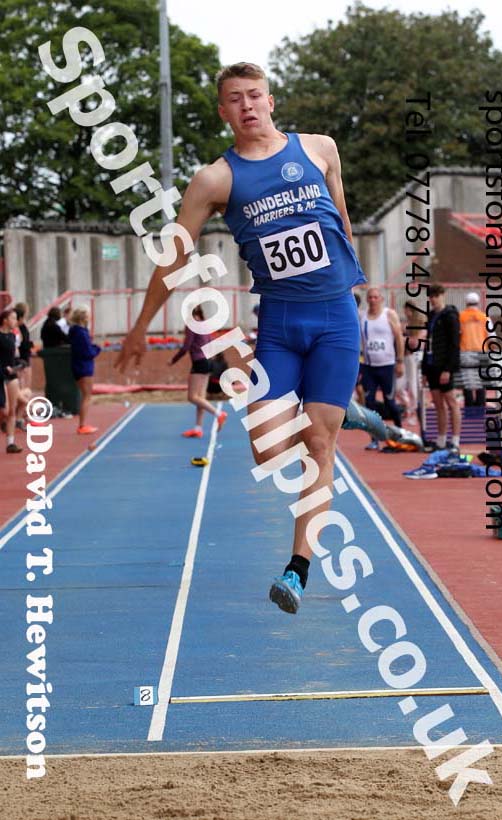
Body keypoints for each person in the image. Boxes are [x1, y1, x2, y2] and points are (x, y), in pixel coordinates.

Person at [116, 61, 367, 614]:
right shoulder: (215, 179)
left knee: (321, 444)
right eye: (235, 98)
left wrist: (352, 287)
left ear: (271, 101)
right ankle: (339, 409)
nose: (247, 105)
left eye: (255, 95)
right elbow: (174, 256)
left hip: (335, 319)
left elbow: (343, 223)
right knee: (270, 448)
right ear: (224, 110)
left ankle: (297, 568)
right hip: (278, 324)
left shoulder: (320, 149)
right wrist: (139, 327)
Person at [168, 306, 228, 438]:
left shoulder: (192, 325)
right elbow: (211, 342)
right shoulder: (204, 325)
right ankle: (198, 428)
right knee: (200, 397)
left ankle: (219, 414)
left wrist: (173, 360)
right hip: (207, 362)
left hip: (199, 363)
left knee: (192, 397)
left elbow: (186, 347)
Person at [360, 288, 404, 450]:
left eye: (375, 297)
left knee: (390, 403)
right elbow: (361, 341)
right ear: (367, 299)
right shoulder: (363, 316)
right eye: (370, 297)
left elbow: (399, 337)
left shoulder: (389, 314)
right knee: (369, 404)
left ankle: (400, 434)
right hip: (369, 367)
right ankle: (374, 439)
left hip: (387, 365)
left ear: (381, 299)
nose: (372, 300)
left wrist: (400, 361)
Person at [421, 284, 461, 451]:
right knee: (438, 404)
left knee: (451, 402)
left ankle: (456, 440)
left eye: (436, 295)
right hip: (431, 364)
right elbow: (427, 342)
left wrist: (448, 369)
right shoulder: (431, 315)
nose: (433, 299)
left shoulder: (450, 315)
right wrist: (423, 369)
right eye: (431, 296)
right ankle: (441, 439)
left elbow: (454, 344)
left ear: (443, 295)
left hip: (444, 365)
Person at [0, 308, 31, 453]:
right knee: (4, 411)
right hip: (0, 374)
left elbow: (13, 356)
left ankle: (10, 443)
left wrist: (19, 364)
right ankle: (3, 424)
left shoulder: (13, 336)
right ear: (5, 320)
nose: (15, 321)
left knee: (12, 409)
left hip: (11, 375)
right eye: (12, 318)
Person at [68, 306, 101, 434]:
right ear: (83, 317)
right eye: (87, 314)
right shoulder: (80, 332)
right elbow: (87, 351)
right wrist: (97, 349)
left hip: (80, 365)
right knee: (86, 396)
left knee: (85, 395)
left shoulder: (78, 331)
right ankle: (82, 425)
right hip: (83, 367)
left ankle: (82, 424)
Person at [459, 291, 489, 407]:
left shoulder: (460, 317)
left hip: (465, 353)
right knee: (481, 382)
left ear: (466, 303)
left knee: (467, 382)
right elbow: (492, 336)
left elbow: (457, 334)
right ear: (478, 303)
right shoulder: (484, 317)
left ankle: (469, 408)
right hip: (481, 353)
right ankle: (480, 406)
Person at [14, 302, 33, 392]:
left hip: (24, 355)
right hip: (22, 356)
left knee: (25, 383)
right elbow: (21, 341)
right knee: (23, 382)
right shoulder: (18, 327)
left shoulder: (22, 326)